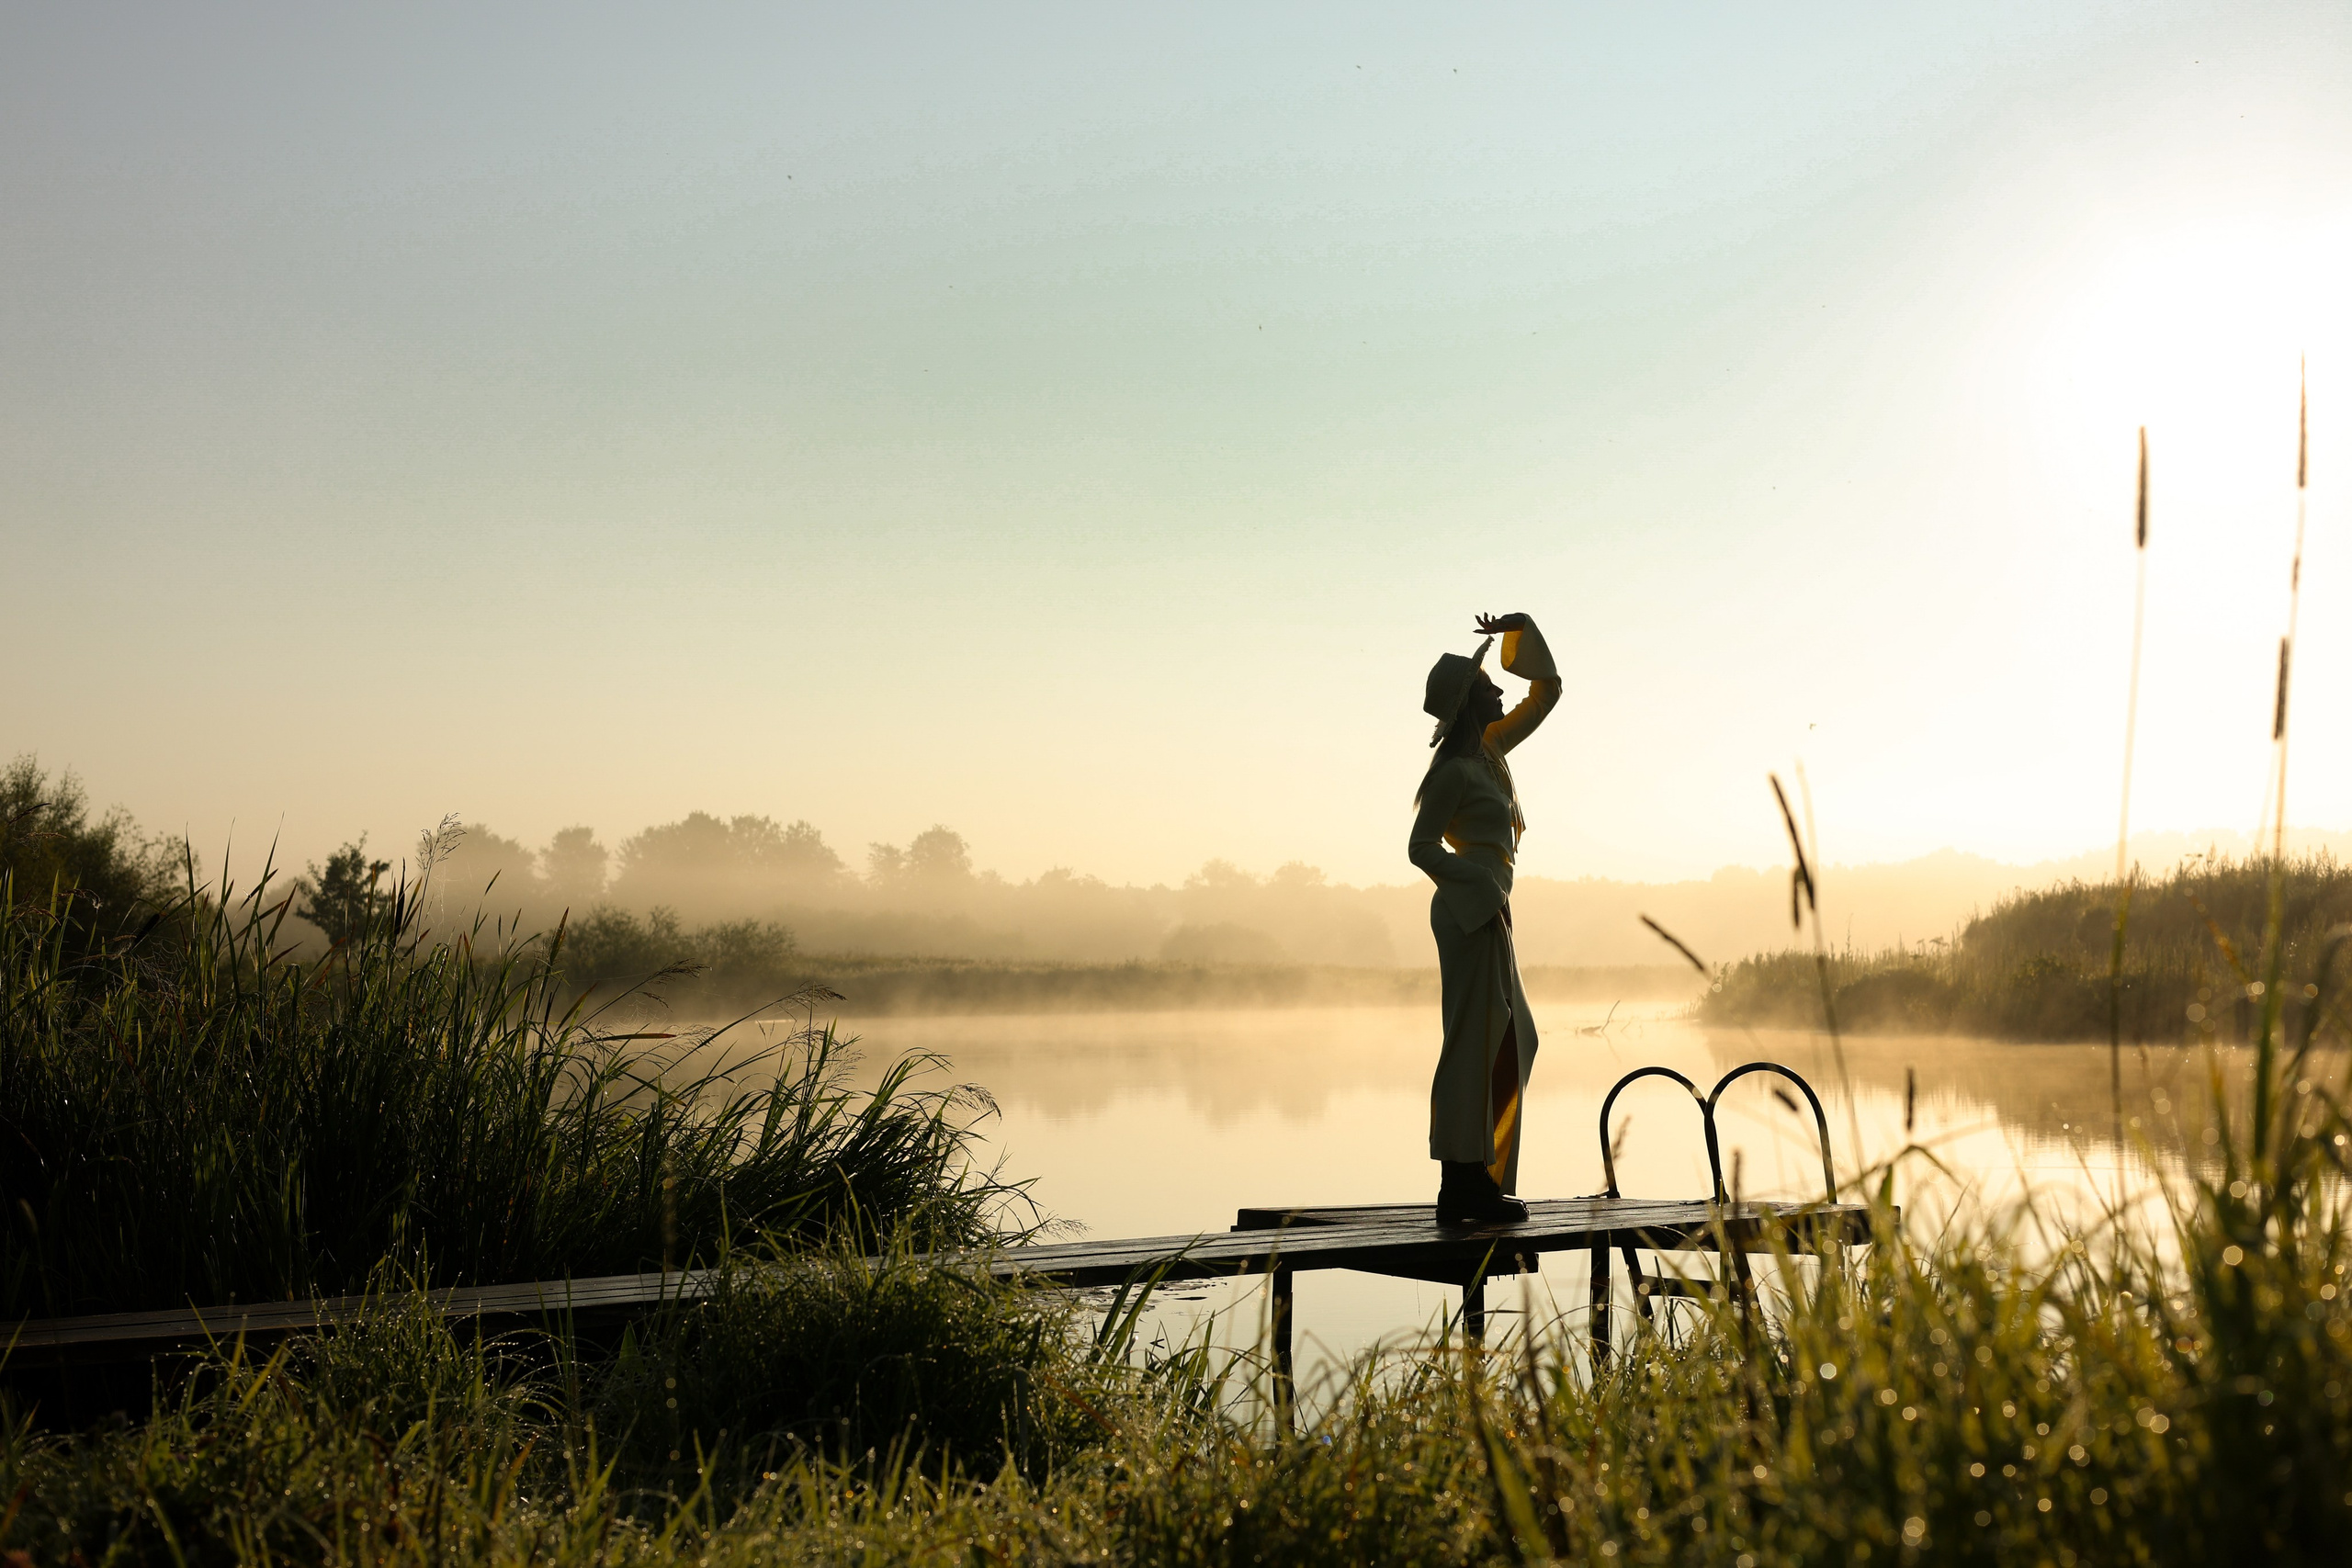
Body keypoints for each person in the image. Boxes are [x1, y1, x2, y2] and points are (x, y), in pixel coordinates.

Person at [1410, 611, 1561, 1224]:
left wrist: (1521, 630)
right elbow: (1421, 847)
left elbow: (1545, 692)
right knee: (1472, 1042)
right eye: (1489, 685)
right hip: (1468, 911)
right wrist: (1478, 881)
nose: (1500, 689)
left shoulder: (1492, 750)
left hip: (1491, 907)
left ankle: (1484, 1170)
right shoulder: (1451, 771)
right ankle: (1460, 1182)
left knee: (1514, 1036)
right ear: (1470, 701)